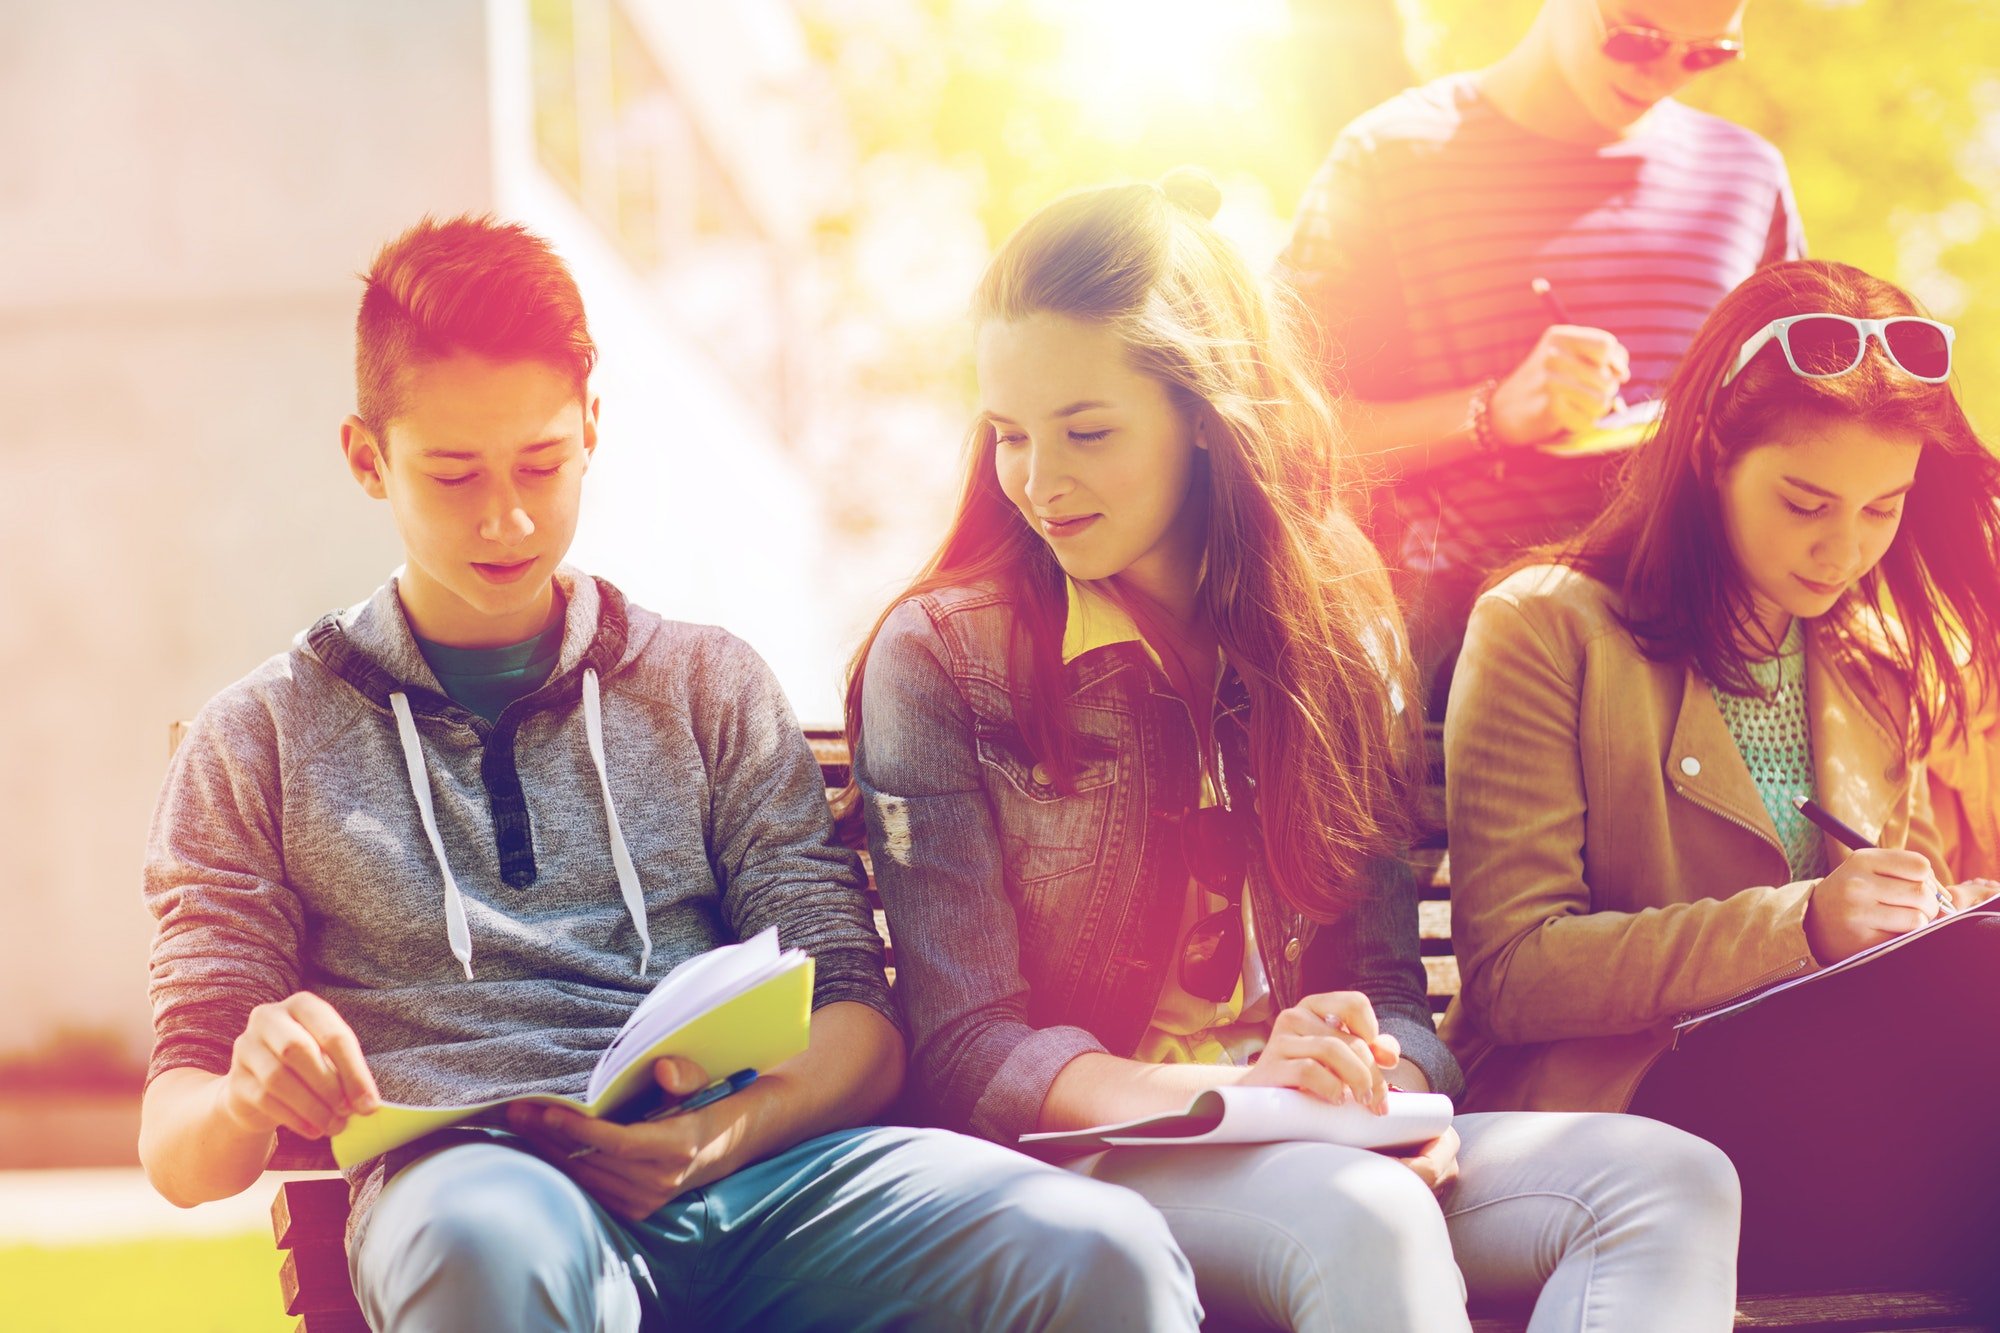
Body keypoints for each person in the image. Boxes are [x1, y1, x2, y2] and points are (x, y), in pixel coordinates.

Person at [136, 215, 1202, 1333]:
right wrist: (247, 1095)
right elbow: (180, 1143)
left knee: (1099, 1248)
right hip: (479, 1191)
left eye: (540, 463)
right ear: (367, 459)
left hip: (757, 1179)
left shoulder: (704, 686)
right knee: (483, 1242)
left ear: (592, 429)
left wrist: (709, 1141)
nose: (505, 515)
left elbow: (859, 1021)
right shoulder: (257, 738)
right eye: (452, 475)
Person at [848, 171, 1741, 1332]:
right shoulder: (940, 657)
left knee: (1669, 1181)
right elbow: (970, 1051)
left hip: (1313, 1142)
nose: (1038, 482)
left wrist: (1386, 1086)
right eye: (1009, 435)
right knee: (1362, 1210)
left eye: (1085, 432)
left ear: (1204, 417)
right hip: (1082, 1161)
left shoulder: (1338, 619)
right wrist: (1242, 1094)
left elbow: (1383, 983)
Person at [1442, 257, 2000, 1299]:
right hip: (1618, 1116)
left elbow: (1888, 932)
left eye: (1881, 510)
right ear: (1707, 453)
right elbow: (1515, 975)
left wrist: (1924, 918)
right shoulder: (1544, 627)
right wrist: (1801, 925)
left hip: (1841, 1106)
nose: (1840, 550)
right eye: (1803, 502)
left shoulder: (1874, 659)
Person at [1277, 0, 1804, 715]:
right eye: (1637, 38)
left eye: (1706, 53)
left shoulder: (1748, 176)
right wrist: (1490, 414)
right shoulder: (1391, 155)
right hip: (1456, 679)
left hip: (1698, 674)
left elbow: (1799, 425)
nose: (1666, 72)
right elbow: (1288, 435)